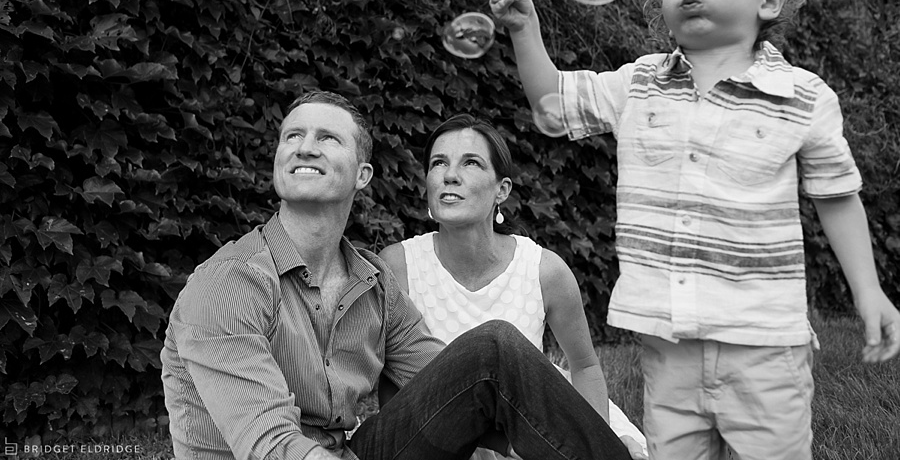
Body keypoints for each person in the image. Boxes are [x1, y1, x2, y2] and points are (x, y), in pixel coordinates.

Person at [489, 0, 900, 460]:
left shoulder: (804, 97)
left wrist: (868, 290)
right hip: (667, 343)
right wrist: (524, 29)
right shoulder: (638, 84)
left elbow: (838, 197)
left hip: (765, 344)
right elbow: (552, 104)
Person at [160, 90, 633, 460]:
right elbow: (270, 447)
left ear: (363, 175)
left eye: (328, 137)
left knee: (495, 350)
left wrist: (532, 443)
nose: (305, 146)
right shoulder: (228, 283)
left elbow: (456, 384)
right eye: (292, 136)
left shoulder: (374, 284)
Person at [378, 113, 648, 460]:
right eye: (438, 163)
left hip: (536, 423)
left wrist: (591, 439)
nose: (449, 175)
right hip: (442, 441)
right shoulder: (398, 265)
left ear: (501, 190)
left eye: (471, 163)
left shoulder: (544, 270)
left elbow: (585, 367)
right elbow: (392, 383)